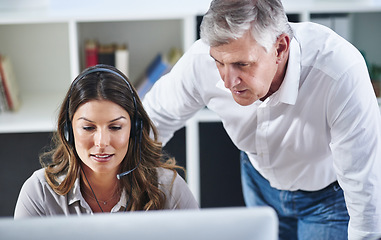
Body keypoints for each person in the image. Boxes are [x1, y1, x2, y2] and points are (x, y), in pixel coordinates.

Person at [142, 0, 381, 239]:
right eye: (219, 62)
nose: (228, 81)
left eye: (242, 64)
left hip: (328, 196)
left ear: (279, 48)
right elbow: (152, 120)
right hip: (259, 182)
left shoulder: (340, 72)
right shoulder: (200, 60)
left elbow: (364, 184)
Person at [14, 64, 199, 218]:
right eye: (88, 128)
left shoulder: (169, 189)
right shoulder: (39, 193)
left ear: (134, 130)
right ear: (69, 131)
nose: (102, 142)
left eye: (115, 127)